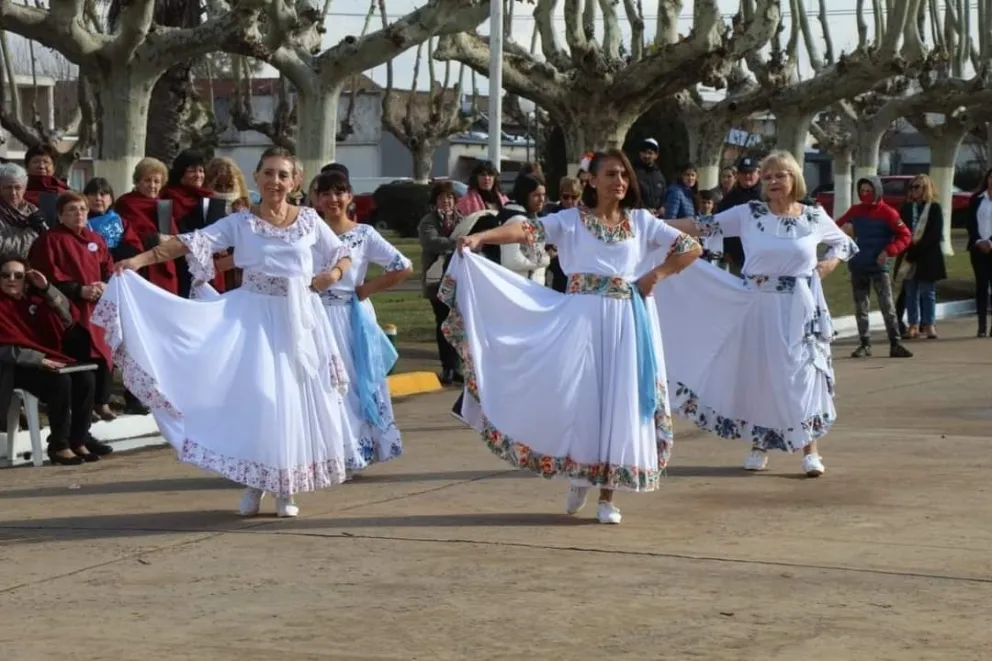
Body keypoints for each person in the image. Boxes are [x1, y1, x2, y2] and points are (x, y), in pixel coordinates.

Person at [95, 146, 356, 518]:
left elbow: (343, 252)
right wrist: (137, 261)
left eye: (283, 175)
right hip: (253, 317)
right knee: (261, 398)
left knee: (290, 400)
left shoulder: (310, 220)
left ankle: (285, 487)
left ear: (295, 181)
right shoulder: (241, 223)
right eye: (269, 173)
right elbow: (188, 242)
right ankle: (254, 481)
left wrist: (333, 274)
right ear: (256, 177)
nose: (276, 181)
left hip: (300, 320)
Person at [445, 149, 702, 524]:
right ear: (592, 181)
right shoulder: (571, 220)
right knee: (579, 400)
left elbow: (690, 247)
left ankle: (607, 495)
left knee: (620, 402)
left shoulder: (642, 222)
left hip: (628, 321)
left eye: (624, 175)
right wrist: (483, 237)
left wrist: (656, 275)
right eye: (610, 174)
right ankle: (580, 472)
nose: (619, 181)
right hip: (580, 320)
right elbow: (526, 230)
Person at [660, 151, 858, 477]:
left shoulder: (814, 216)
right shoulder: (749, 213)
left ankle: (810, 450)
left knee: (802, 376)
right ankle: (759, 444)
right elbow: (700, 225)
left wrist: (828, 264)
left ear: (794, 178)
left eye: (780, 175)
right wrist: (649, 225)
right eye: (767, 177)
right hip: (757, 305)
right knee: (761, 375)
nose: (773, 182)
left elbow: (843, 244)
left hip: (799, 307)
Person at [310, 171, 412, 475]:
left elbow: (402, 266)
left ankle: (356, 451)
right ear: (316, 199)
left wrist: (366, 289)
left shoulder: (364, 235)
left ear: (350, 196)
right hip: (314, 314)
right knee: (321, 383)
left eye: (339, 192)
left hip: (350, 317)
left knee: (353, 384)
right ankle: (326, 452)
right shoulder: (308, 232)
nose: (333, 200)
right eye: (325, 193)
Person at [0, 254, 100, 465]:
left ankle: (78, 440)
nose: (11, 279)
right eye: (5, 275)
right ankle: (59, 445)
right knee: (59, 381)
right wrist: (38, 360)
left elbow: (67, 318)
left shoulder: (35, 301)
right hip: (11, 367)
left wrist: (46, 288)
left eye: (18, 275)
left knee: (86, 379)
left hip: (47, 359)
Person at [29, 192, 118, 426]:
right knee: (81, 361)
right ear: (60, 215)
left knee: (104, 352)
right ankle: (82, 414)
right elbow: (47, 277)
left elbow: (108, 267)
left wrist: (105, 285)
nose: (78, 213)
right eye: (71, 209)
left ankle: (101, 401)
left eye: (82, 209)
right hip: (68, 310)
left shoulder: (96, 239)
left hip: (97, 307)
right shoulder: (50, 240)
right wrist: (79, 290)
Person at [837, 177, 913, 359]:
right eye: (862, 191)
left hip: (879, 267)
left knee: (887, 306)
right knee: (861, 307)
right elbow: (835, 227)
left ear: (877, 191)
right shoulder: (855, 211)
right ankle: (865, 344)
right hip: (858, 265)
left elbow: (905, 235)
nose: (865, 194)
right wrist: (843, 231)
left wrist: (889, 251)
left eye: (868, 191)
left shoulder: (888, 213)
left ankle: (895, 343)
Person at [162, 149, 227, 298]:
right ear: (181, 173)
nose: (198, 175)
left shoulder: (211, 199)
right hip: (180, 264)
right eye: (192, 171)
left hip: (208, 267)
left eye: (201, 170)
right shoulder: (168, 199)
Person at [418, 181, 463, 386]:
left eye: (450, 197)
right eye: (442, 197)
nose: (446, 201)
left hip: (457, 279)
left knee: (457, 322)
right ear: (435, 201)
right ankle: (447, 366)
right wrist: (456, 243)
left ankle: (457, 366)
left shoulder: (462, 220)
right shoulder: (428, 221)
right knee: (443, 321)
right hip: (436, 280)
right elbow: (431, 242)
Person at [115, 158, 180, 295]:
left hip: (163, 266)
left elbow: (174, 237)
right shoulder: (126, 203)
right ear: (137, 181)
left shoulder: (163, 206)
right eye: (147, 180)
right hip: (137, 265)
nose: (152, 185)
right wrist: (154, 239)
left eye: (156, 181)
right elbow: (125, 234)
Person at [898, 175, 946, 340]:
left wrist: (917, 250)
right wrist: (907, 249)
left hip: (927, 255)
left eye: (917, 187)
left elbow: (935, 234)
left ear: (926, 188)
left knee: (927, 291)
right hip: (908, 254)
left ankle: (929, 324)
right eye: (911, 187)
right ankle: (913, 325)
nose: (913, 190)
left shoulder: (934, 208)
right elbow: (900, 230)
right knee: (910, 291)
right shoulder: (906, 208)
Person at [498, 175, 551, 283]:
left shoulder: (532, 219)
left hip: (531, 285)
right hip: (519, 285)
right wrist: (544, 260)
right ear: (524, 196)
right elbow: (511, 261)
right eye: (536, 195)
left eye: (543, 195)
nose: (542, 199)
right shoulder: (516, 220)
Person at [715, 156, 762, 272]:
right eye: (743, 173)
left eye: (751, 172)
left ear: (758, 173)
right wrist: (726, 250)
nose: (747, 176)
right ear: (738, 175)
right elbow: (719, 224)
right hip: (738, 257)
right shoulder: (730, 198)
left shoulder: (768, 195)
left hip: (764, 256)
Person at [0, 163, 47, 259]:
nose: (13, 193)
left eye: (17, 188)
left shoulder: (33, 210)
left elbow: (47, 242)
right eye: (8, 187)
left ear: (24, 188)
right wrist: (32, 232)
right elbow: (3, 248)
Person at [966, 166, 992, 337]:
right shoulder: (976, 199)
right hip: (977, 248)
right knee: (981, 286)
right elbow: (970, 223)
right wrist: (978, 241)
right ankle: (982, 326)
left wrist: (990, 242)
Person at [543, 177, 581, 292]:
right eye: (566, 197)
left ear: (580, 196)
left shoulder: (586, 215)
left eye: (574, 197)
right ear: (560, 196)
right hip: (559, 272)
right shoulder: (552, 214)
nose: (569, 201)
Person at [83, 178, 128, 261]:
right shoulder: (80, 222)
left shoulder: (121, 221)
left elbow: (133, 245)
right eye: (93, 194)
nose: (98, 198)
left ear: (110, 199)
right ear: (85, 198)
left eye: (102, 194)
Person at [633, 138, 666, 214]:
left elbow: (664, 195)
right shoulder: (634, 173)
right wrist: (645, 209)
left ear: (656, 155)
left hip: (657, 217)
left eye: (650, 153)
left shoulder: (659, 175)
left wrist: (663, 207)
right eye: (644, 152)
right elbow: (631, 196)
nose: (646, 156)